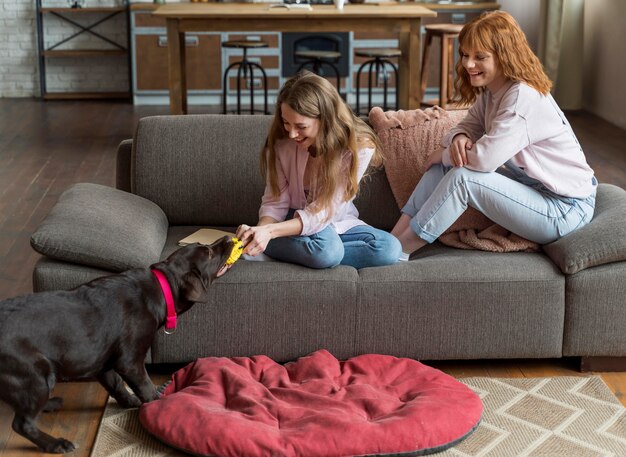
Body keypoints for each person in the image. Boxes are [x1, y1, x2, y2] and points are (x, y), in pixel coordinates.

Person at [392, 10, 596, 259]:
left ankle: (399, 252)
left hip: (565, 208)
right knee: (445, 168)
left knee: (463, 177)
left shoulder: (522, 98)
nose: (468, 64)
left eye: (480, 57)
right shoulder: (493, 93)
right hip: (536, 192)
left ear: (505, 57)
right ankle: (392, 239)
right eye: (465, 55)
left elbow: (484, 161)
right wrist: (459, 139)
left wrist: (444, 155)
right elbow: (465, 125)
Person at [236, 71, 401, 269]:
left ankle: (285, 251)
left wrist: (269, 233)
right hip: (291, 221)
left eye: (301, 126)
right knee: (327, 251)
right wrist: (262, 231)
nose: (291, 133)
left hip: (331, 221)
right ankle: (266, 247)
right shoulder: (281, 143)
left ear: (325, 120)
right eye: (286, 122)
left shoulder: (358, 148)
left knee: (389, 248)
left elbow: (325, 211)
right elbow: (275, 202)